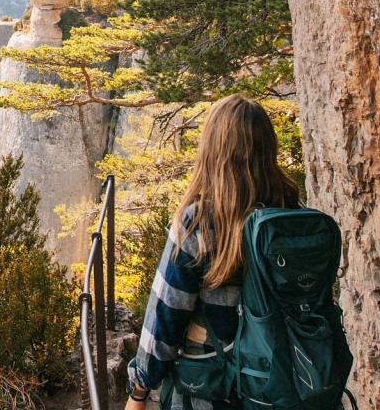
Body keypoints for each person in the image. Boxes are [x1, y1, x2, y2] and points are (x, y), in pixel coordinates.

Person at [124, 95, 302, 409]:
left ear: (213, 151)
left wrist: (139, 390)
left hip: (214, 392)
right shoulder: (292, 216)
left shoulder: (200, 223)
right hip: (283, 385)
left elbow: (165, 319)